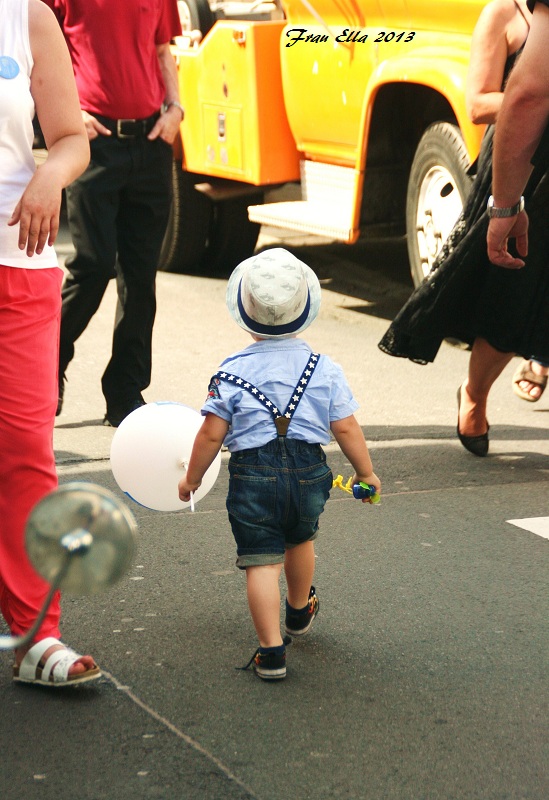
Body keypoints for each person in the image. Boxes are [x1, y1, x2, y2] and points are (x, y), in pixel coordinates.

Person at [177, 248, 381, 681]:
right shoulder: (324, 368)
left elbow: (211, 434)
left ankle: (271, 653)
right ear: (305, 308)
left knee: (260, 562)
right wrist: (365, 473)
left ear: (245, 313)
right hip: (310, 473)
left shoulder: (230, 371)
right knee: (300, 539)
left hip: (253, 475)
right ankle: (298, 609)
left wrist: (191, 477)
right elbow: (346, 428)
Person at [378, 0, 549, 457]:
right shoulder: (503, 14)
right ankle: (474, 393)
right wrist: (533, 101)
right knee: (510, 294)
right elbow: (477, 104)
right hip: (523, 165)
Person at [1, 0, 100, 685]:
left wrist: (49, 174)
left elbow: (72, 137)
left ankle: (37, 633)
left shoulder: (25, 15)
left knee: (25, 450)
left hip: (17, 260)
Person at [45, 0, 183, 427]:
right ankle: (46, 368)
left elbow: (163, 51)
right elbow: (41, 51)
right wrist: (68, 113)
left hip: (150, 141)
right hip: (93, 143)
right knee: (93, 265)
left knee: (141, 276)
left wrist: (176, 108)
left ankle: (125, 392)